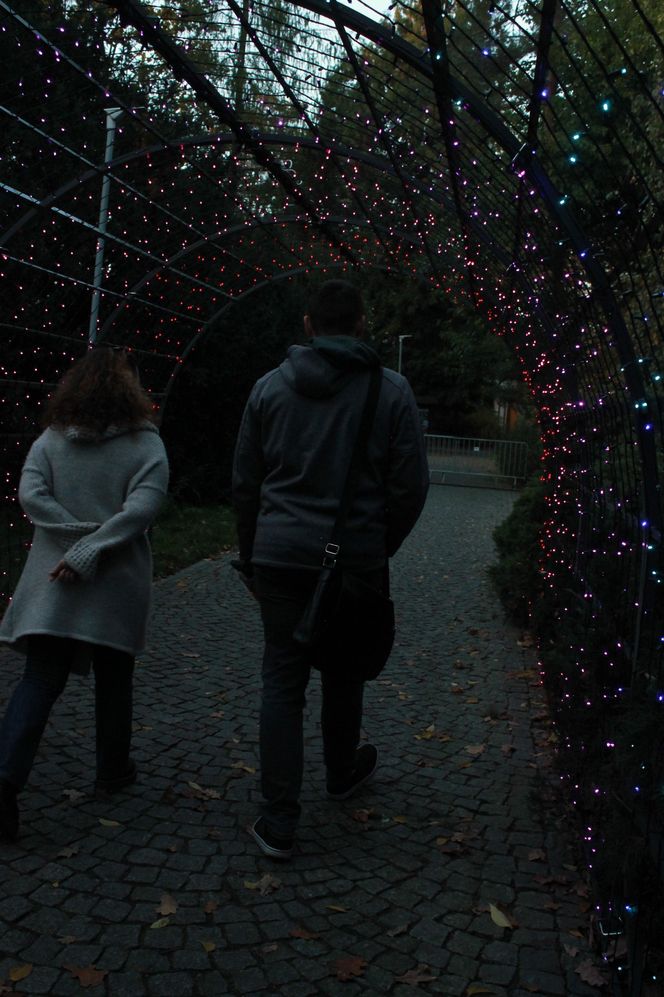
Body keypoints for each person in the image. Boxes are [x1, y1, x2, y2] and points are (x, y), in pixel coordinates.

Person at [232, 278, 429, 860]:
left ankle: (279, 819)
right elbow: (411, 486)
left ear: (308, 325)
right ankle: (341, 770)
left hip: (279, 556)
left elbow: (246, 483)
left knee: (282, 682)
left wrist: (251, 552)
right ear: (363, 324)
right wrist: (376, 545)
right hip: (355, 557)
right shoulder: (390, 392)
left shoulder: (268, 389)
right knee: (345, 669)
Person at [0, 347, 169, 841]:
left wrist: (73, 543)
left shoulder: (50, 440)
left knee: (40, 680)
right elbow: (143, 509)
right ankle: (113, 771)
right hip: (115, 584)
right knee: (115, 679)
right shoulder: (146, 445)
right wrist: (94, 546)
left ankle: (5, 779)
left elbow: (32, 495)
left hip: (54, 582)